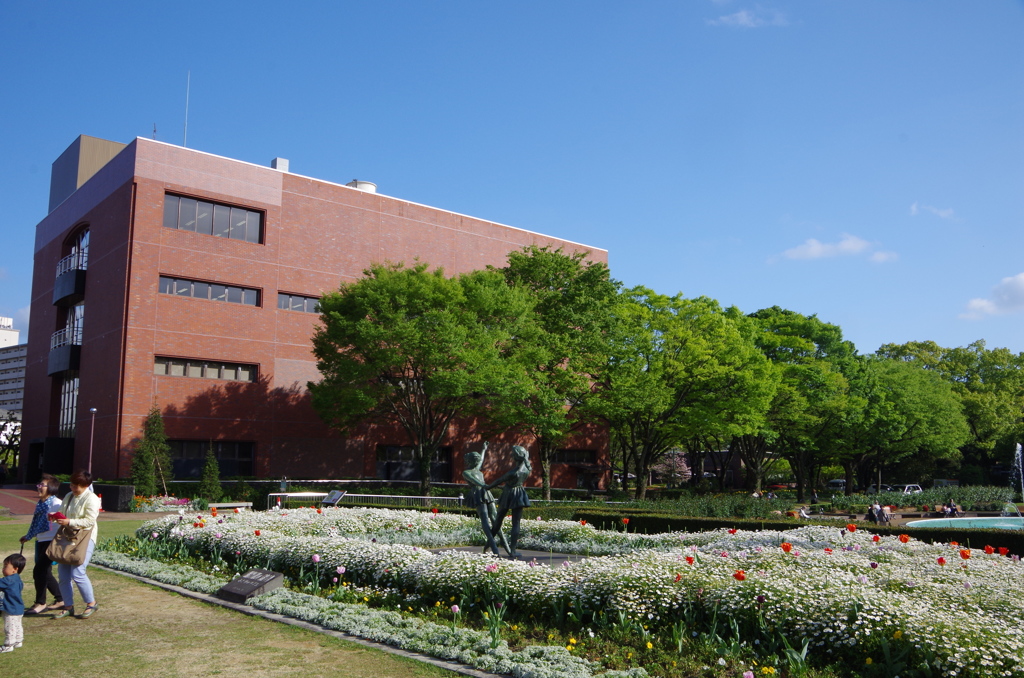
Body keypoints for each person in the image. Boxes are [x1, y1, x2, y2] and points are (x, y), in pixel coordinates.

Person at [53, 469, 100, 619]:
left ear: (85, 485)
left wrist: (69, 521)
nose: (72, 488)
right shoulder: (68, 496)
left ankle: (91, 603)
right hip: (68, 537)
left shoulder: (92, 499)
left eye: (76, 486)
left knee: (78, 572)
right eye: (71, 485)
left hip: (85, 537)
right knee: (63, 574)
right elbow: (62, 512)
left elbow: (89, 521)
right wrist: (57, 518)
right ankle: (68, 606)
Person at [19, 474, 64, 614]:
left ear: (50, 488)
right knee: (45, 571)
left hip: (52, 541)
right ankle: (60, 600)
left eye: (42, 485)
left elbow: (63, 522)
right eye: (39, 484)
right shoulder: (41, 504)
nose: (38, 487)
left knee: (39, 570)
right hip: (41, 539)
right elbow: (36, 523)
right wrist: (28, 536)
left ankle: (40, 603)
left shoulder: (57, 503)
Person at [462, 443, 510, 556]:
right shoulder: (466, 472)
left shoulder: (477, 469)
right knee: (485, 519)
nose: (478, 462)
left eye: (478, 460)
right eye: (475, 460)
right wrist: (486, 486)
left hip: (486, 493)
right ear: (470, 461)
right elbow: (475, 481)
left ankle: (506, 545)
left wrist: (483, 449)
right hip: (477, 493)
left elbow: (482, 460)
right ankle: (494, 547)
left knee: (495, 518)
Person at [487, 445, 533, 559]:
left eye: (513, 454)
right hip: (519, 494)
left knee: (498, 520)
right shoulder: (527, 468)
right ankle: (513, 551)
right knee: (516, 523)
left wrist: (486, 487)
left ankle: (489, 545)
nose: (511, 456)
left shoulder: (514, 472)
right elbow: (527, 463)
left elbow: (498, 481)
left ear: (516, 457)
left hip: (509, 494)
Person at [0, 553, 26, 652]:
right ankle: (18, 641)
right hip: (18, 608)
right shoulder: (17, 579)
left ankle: (8, 645)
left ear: (15, 569)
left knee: (9, 627)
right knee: (17, 625)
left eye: (6, 566)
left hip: (10, 608)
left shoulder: (8, 580)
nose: (3, 569)